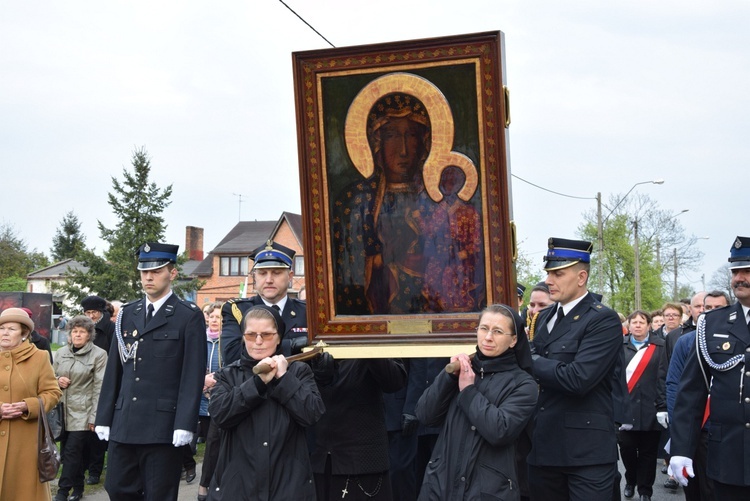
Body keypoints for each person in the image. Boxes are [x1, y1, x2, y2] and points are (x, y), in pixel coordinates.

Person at [333, 92, 484, 316]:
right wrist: (384, 259)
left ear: (424, 142)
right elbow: (348, 269)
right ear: (376, 142)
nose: (403, 149)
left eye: (411, 135)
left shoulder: (439, 201)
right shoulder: (357, 200)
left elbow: (463, 256)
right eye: (392, 135)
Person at [94, 242, 207, 501]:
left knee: (159, 494)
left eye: (156, 271)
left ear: (173, 273)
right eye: (144, 272)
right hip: (125, 422)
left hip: (163, 425)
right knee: (117, 488)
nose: (148, 277)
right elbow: (115, 371)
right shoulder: (127, 313)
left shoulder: (187, 316)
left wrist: (185, 423)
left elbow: (192, 374)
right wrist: (104, 416)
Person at [527, 238, 623, 501]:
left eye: (558, 273)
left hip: (586, 454)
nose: (549, 280)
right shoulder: (544, 316)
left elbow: (578, 379)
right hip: (543, 446)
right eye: (548, 273)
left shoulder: (602, 319)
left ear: (581, 277)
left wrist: (527, 357)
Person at [415, 304, 537, 500]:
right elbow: (425, 415)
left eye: (498, 331)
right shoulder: (461, 371)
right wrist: (449, 379)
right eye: (484, 328)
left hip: (487, 492)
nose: (488, 337)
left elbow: (500, 431)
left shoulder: (524, 384)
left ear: (513, 340)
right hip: (439, 486)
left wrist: (469, 391)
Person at [208, 305, 324, 500]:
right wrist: (258, 383)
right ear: (243, 337)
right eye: (251, 335)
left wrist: (283, 378)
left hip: (288, 487)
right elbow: (220, 416)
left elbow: (312, 414)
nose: (258, 341)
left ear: (279, 337)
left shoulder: (298, 372)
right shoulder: (227, 375)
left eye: (267, 335)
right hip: (238, 488)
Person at [670, 236, 750, 499]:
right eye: (735, 271)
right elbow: (691, 392)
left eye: (747, 271)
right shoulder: (711, 324)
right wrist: (681, 448)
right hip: (729, 456)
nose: (739, 278)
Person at [309, 353, 407, 500]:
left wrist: (368, 346)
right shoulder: (315, 338)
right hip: (322, 455)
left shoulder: (375, 336)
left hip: (364, 458)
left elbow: (394, 381)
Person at [665, 290, 730, 501]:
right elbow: (675, 384)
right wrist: (679, 426)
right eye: (704, 307)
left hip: (726, 429)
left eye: (717, 308)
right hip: (698, 427)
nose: (708, 312)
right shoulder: (686, 342)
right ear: (693, 311)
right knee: (694, 487)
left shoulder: (737, 339)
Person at [0, 307, 62, 500]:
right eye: (1, 328)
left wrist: (29, 406)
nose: (4, 333)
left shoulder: (39, 357)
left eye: (11, 329)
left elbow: (53, 392)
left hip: (27, 442)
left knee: (24, 491)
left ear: (24, 333)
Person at [221, 240, 307, 364]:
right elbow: (232, 354)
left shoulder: (307, 312)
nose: (269, 280)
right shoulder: (237, 310)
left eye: (276, 273)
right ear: (254, 277)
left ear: (290, 276)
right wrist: (292, 346)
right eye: (262, 273)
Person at [52, 315, 108, 501]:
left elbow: (100, 387)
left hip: (83, 412)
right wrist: (57, 380)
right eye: (74, 331)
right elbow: (49, 377)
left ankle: (62, 491)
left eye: (82, 332)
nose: (77, 335)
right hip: (62, 412)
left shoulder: (99, 355)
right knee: (67, 451)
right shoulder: (60, 353)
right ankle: (78, 488)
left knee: (71, 452)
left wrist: (94, 417)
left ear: (89, 335)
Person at [614, 310, 667, 501]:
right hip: (625, 409)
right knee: (627, 449)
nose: (637, 325)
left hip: (650, 408)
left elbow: (663, 378)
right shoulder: (619, 345)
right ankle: (630, 480)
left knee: (648, 453)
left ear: (649, 325)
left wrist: (662, 406)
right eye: (634, 322)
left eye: (642, 322)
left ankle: (645, 490)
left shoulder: (659, 346)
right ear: (628, 325)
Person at [79, 294, 115, 485]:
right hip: (83, 383)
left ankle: (95, 470)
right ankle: (83, 466)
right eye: (87, 312)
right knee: (82, 430)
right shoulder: (82, 329)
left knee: (97, 431)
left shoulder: (110, 328)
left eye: (93, 312)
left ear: (101, 312)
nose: (91, 316)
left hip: (103, 384)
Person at [197, 301, 223, 501]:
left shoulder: (228, 340)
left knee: (214, 443)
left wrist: (217, 379)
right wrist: (201, 380)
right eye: (212, 316)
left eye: (219, 317)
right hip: (199, 398)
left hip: (219, 397)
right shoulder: (199, 339)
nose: (215, 320)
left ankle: (206, 483)